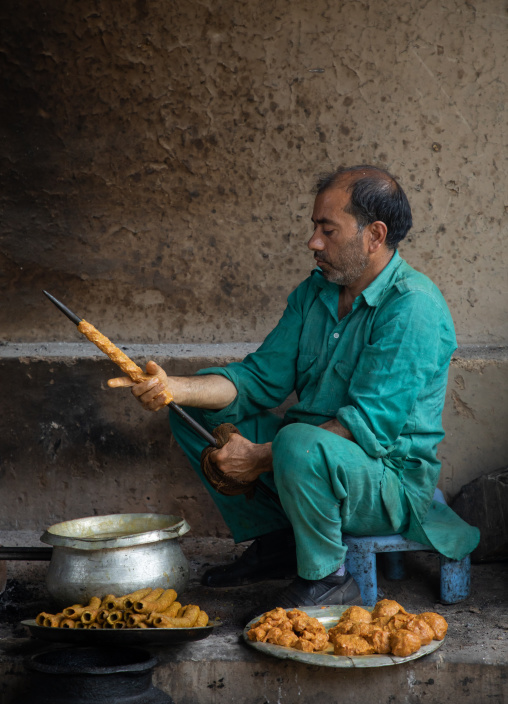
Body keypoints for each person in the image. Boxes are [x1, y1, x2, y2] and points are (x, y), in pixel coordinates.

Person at [108, 165, 479, 611]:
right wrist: (173, 387)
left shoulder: (413, 306)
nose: (314, 242)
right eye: (314, 228)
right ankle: (280, 542)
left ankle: (329, 579)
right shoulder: (314, 293)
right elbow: (259, 380)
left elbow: (369, 427)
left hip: (386, 481)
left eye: (328, 230)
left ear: (374, 235)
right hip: (307, 461)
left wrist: (262, 457)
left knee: (297, 442)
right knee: (198, 414)